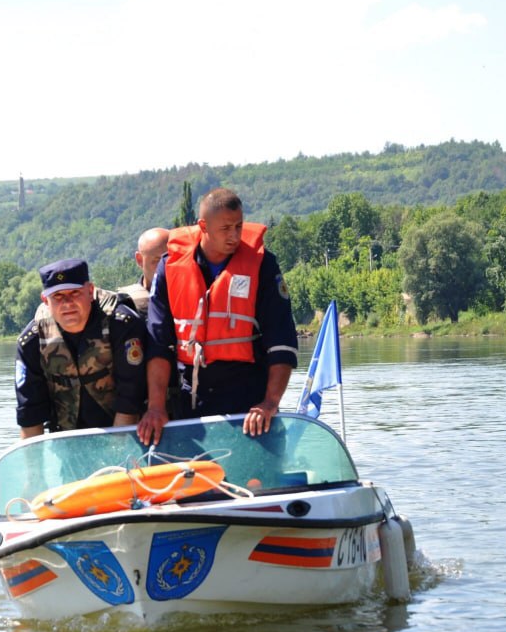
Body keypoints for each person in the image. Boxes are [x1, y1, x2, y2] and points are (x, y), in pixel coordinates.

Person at [137, 188, 297, 444]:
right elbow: (158, 343)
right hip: (192, 398)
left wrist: (270, 402)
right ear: (203, 226)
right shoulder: (170, 267)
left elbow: (282, 340)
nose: (234, 235)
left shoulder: (263, 265)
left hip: (249, 400)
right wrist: (156, 407)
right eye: (226, 228)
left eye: (239, 226)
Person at [15, 258, 147, 439]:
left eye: (75, 293)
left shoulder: (122, 325)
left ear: (90, 291)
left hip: (125, 432)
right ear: (45, 299)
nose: (67, 303)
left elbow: (130, 398)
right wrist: (32, 466)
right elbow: (30, 414)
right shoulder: (32, 340)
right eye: (58, 296)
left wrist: (117, 454)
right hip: (67, 438)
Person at [116, 227, 170, 317]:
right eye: (157, 261)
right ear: (139, 260)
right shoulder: (126, 303)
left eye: (170, 261)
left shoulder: (189, 297)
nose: (163, 268)